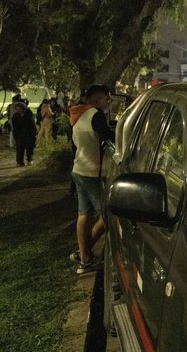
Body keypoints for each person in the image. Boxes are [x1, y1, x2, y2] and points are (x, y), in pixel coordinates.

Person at [69, 85, 114, 274]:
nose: (108, 101)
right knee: (108, 215)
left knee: (84, 215)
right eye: (106, 98)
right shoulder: (96, 114)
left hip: (79, 169)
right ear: (97, 100)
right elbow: (108, 137)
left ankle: (84, 258)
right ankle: (84, 256)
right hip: (91, 172)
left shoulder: (79, 115)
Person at [10, 99, 37, 166]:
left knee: (29, 148)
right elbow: (14, 126)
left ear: (23, 108)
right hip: (19, 135)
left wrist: (34, 133)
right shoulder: (15, 116)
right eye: (17, 109)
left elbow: (32, 124)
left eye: (19, 108)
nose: (18, 110)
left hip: (28, 134)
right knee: (19, 149)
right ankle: (20, 161)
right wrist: (16, 135)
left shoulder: (29, 114)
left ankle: (29, 159)